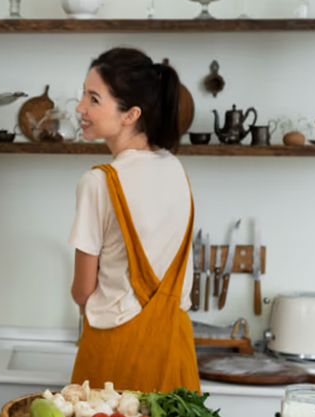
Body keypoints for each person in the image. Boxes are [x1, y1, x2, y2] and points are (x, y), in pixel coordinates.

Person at [68, 47, 200, 392]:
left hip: (116, 349)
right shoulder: (176, 169)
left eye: (93, 99)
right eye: (83, 95)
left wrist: (84, 298)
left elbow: (83, 290)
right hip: (175, 348)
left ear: (131, 114)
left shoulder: (99, 181)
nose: (80, 107)